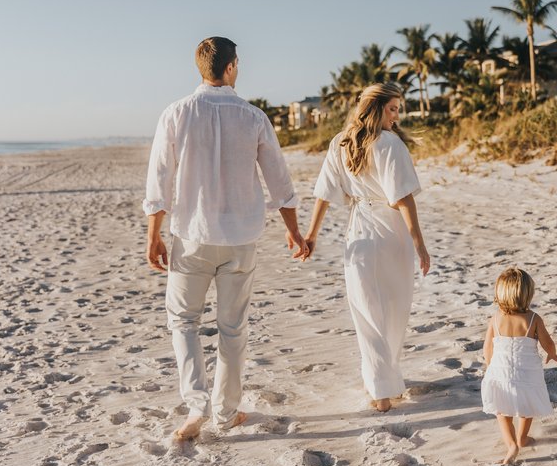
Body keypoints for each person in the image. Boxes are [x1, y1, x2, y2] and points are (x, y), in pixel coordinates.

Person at [143, 36, 308, 441]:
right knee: (233, 328)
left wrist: (153, 234)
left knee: (183, 321)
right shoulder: (253, 117)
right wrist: (294, 231)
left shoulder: (176, 113)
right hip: (240, 238)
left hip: (192, 236)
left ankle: (196, 405)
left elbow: (159, 178)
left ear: (200, 68)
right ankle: (225, 412)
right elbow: (279, 183)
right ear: (232, 67)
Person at [304, 82, 430, 413]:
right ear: (375, 109)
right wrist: (419, 244)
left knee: (366, 309)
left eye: (398, 109)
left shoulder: (340, 143)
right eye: (392, 109)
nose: (397, 116)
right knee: (394, 308)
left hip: (360, 231)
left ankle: (382, 385)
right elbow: (402, 199)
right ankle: (382, 386)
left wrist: (312, 234)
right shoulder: (390, 144)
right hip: (391, 232)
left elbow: (324, 194)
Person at [480, 267, 557, 464]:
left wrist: (490, 366)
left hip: (501, 371)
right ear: (528, 294)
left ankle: (511, 445)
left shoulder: (496, 318)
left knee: (502, 410)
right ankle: (522, 438)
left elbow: (487, 348)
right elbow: (547, 343)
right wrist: (553, 355)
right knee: (526, 407)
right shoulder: (534, 319)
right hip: (527, 372)